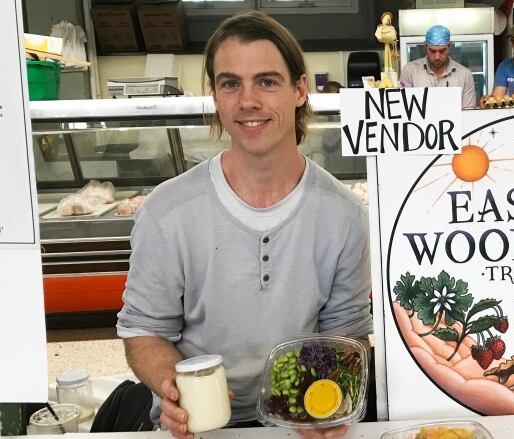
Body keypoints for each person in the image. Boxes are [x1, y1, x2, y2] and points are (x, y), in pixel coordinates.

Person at [116, 11, 373, 439]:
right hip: (199, 428)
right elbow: (144, 330)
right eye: (230, 83)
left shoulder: (344, 215)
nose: (248, 100)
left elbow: (346, 335)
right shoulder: (167, 211)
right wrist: (173, 387)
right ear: (216, 95)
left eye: (267, 81)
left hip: (296, 420)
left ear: (299, 90)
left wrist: (325, 402)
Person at [400, 25, 477, 109]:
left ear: (449, 47)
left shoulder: (465, 75)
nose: (437, 57)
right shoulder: (410, 71)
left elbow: (469, 113)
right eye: (432, 51)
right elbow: (404, 108)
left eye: (442, 51)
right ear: (426, 47)